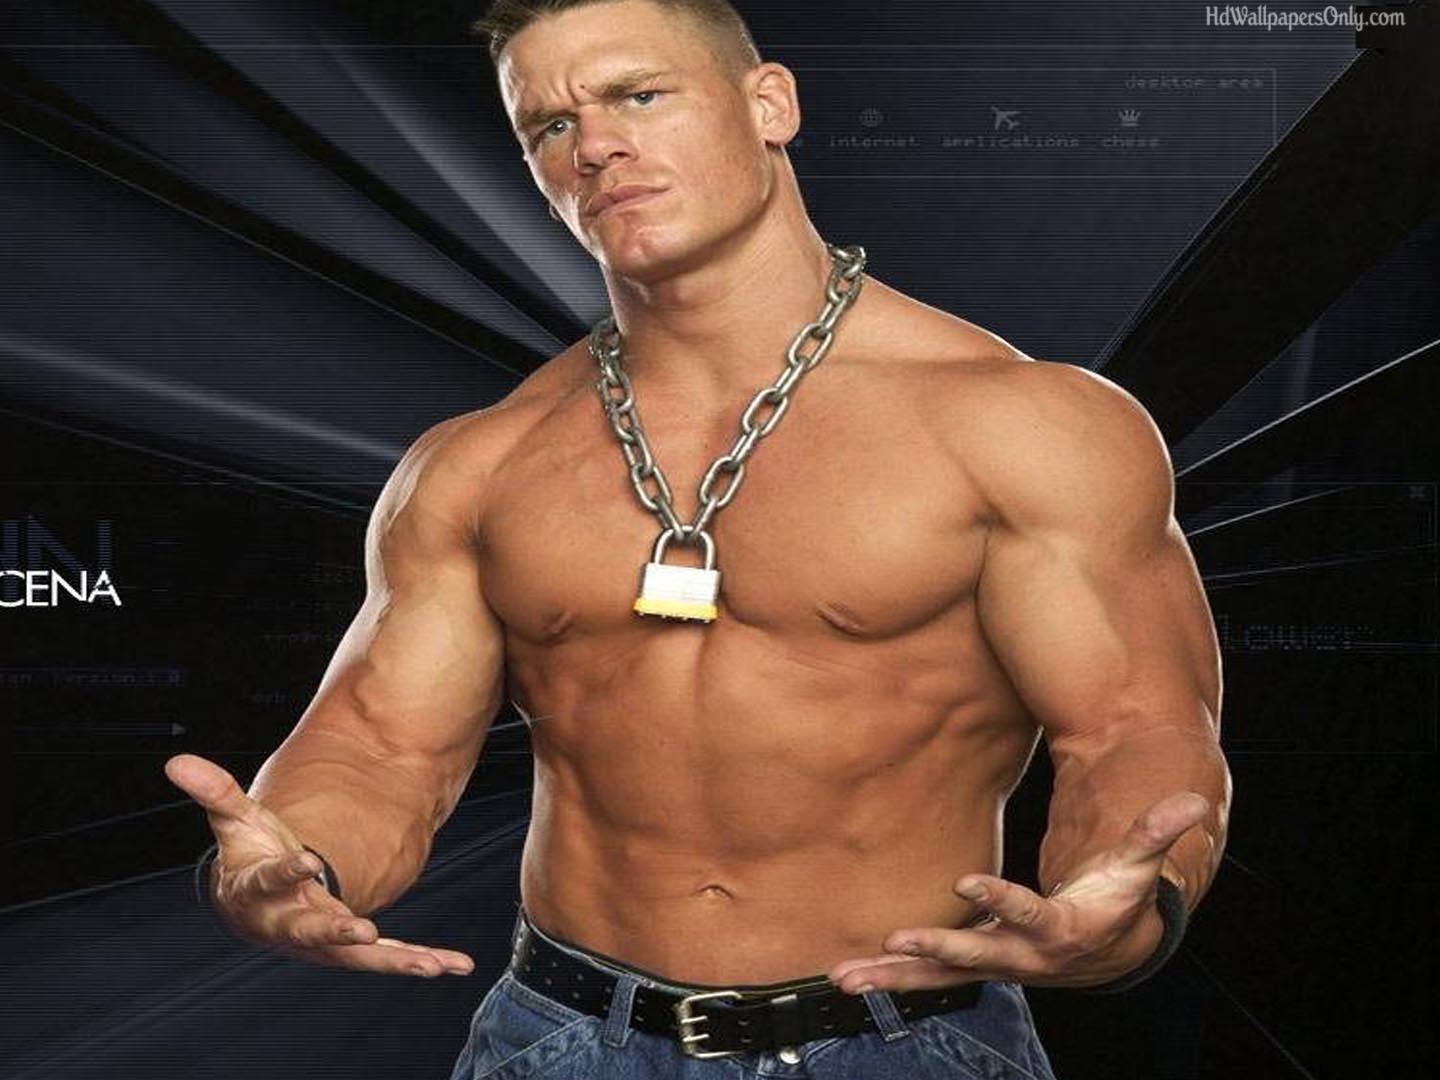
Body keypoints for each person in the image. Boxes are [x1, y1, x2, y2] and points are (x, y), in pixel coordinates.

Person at [164, 0, 1232, 1074]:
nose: (595, 146)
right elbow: (382, 745)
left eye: (638, 96)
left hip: (899, 1040)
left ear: (769, 104)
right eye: (549, 125)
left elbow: (1133, 728)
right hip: (564, 1039)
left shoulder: (1023, 425)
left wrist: (1125, 904)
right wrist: (297, 867)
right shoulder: (478, 465)